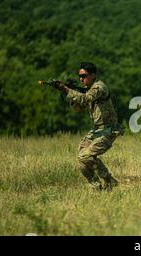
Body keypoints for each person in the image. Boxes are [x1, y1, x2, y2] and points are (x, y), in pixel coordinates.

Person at [53, 62, 120, 190]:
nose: (81, 79)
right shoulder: (87, 90)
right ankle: (96, 185)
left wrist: (65, 89)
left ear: (93, 75)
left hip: (108, 129)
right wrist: (70, 95)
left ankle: (107, 179)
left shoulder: (99, 87)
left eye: (84, 75)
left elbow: (85, 99)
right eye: (80, 76)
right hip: (97, 129)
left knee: (85, 156)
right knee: (82, 154)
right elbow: (79, 108)